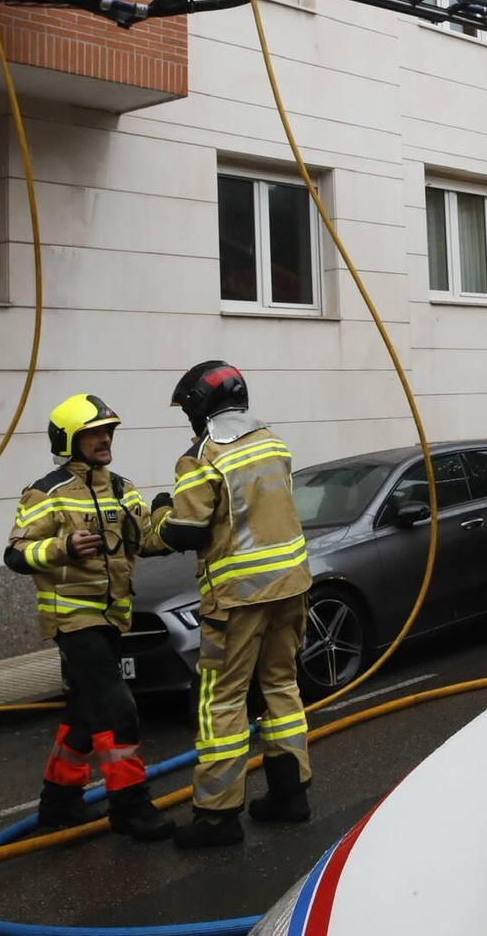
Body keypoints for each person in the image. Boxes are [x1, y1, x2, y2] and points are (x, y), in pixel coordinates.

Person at [152, 362, 313, 848]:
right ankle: (290, 796)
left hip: (239, 601)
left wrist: (159, 514)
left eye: (189, 409)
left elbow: (186, 530)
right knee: (282, 688)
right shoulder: (273, 441)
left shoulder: (201, 456)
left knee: (221, 702)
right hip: (291, 587)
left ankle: (217, 818)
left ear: (201, 405)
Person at [4, 394, 175, 841]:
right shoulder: (45, 493)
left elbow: (149, 542)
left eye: (107, 431)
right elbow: (16, 554)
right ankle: (131, 807)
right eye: (94, 433)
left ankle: (57, 805)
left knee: (84, 712)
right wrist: (63, 547)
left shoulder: (122, 487)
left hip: (113, 617)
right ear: (69, 441)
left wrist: (169, 518)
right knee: (117, 709)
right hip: (74, 620)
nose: (104, 439)